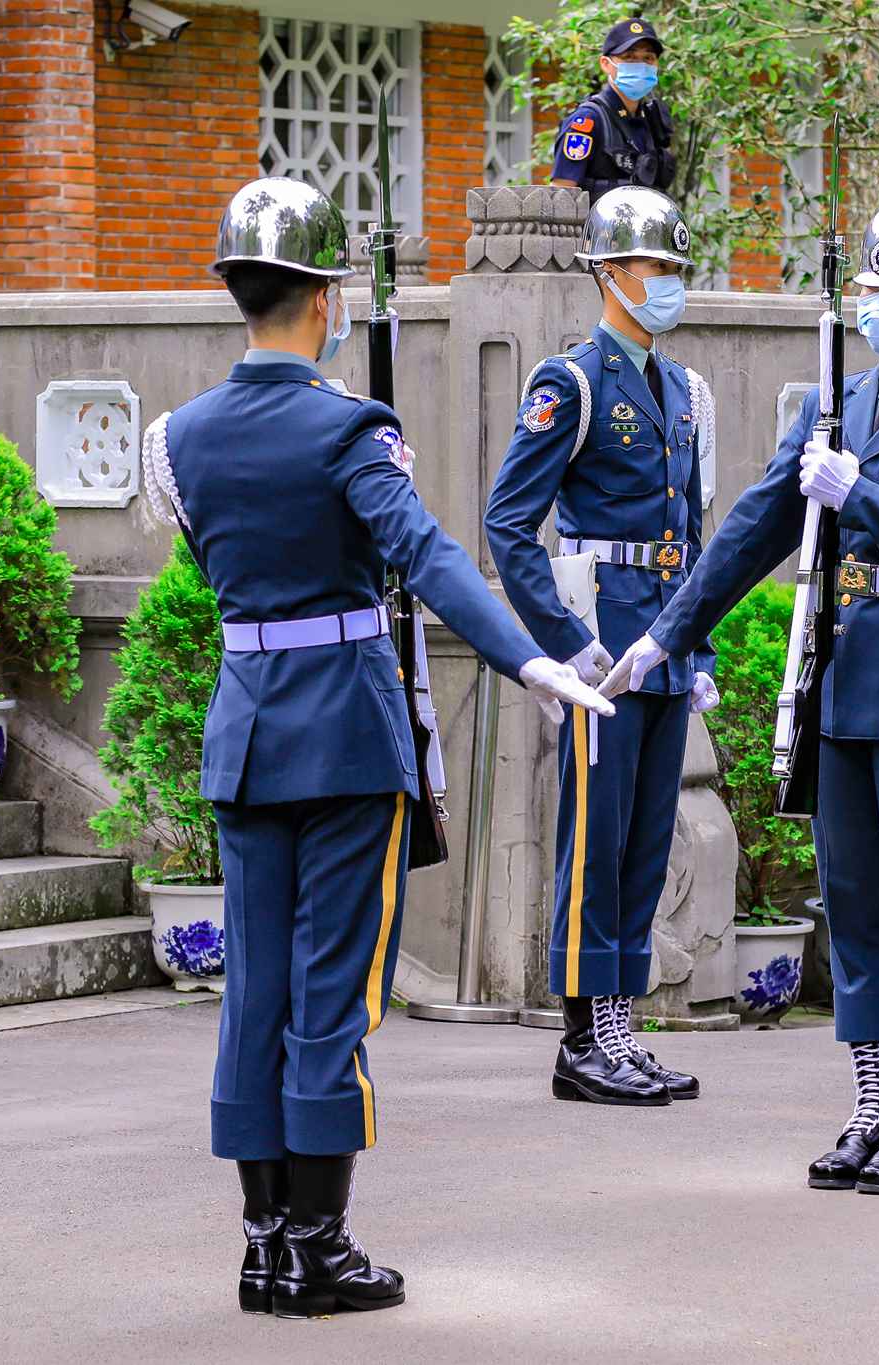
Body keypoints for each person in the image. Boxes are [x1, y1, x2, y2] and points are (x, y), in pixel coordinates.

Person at [140, 177, 615, 1317]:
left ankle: (262, 1246)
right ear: (323, 299)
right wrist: (529, 658)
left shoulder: (181, 438)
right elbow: (429, 554)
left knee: (253, 986)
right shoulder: (349, 426)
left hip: (246, 730)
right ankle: (319, 1246)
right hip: (347, 734)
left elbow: (216, 572)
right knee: (331, 991)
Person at [599, 194, 879, 1194]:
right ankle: (869, 1097)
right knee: (851, 898)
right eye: (870, 289)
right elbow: (751, 531)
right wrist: (664, 636)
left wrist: (860, 498)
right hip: (843, 686)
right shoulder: (832, 406)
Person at [485, 186, 719, 1106]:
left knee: (644, 839)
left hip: (658, 643)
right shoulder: (571, 382)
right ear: (610, 274)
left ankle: (620, 1023)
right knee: (595, 838)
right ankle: (584, 1035)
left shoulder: (681, 387)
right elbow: (510, 526)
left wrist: (692, 652)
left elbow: (692, 533)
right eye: (654, 268)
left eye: (673, 269)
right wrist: (568, 645)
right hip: (600, 642)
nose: (666, 284)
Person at [551, 16, 677, 202]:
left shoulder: (651, 120)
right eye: (629, 57)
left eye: (648, 58)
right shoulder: (588, 120)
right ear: (605, 64)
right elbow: (560, 194)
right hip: (594, 230)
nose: (640, 65)